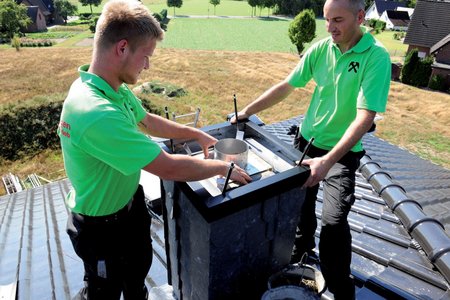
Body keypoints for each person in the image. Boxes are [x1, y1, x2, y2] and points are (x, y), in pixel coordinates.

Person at [57, 1, 251, 299]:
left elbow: (146, 120)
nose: (147, 65)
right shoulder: (96, 112)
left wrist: (195, 133)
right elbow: (168, 167)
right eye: (145, 56)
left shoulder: (111, 89)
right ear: (122, 48)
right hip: (100, 229)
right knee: (103, 292)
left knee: (136, 277)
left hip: (128, 208)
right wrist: (222, 168)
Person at [233, 0, 391, 298]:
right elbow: (287, 85)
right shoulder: (321, 48)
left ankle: (341, 287)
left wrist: (329, 161)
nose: (330, 28)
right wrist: (246, 111)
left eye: (338, 20)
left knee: (333, 220)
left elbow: (364, 117)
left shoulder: (376, 57)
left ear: (359, 17)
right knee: (300, 208)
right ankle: (300, 254)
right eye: (327, 20)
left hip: (341, 154)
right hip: (305, 145)